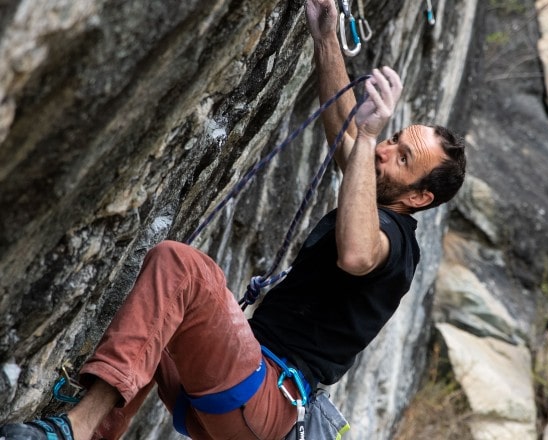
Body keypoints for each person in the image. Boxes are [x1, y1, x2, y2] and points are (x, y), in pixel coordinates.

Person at [0, 0, 466, 439]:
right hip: (229, 395)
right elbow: (350, 151)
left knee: (181, 268)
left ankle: (75, 430)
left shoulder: (398, 245)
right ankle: (98, 430)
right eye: (393, 138)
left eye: (402, 156)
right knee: (156, 316)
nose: (385, 151)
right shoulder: (373, 187)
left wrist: (367, 137)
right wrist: (324, 32)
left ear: (420, 197)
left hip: (261, 401)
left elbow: (356, 251)